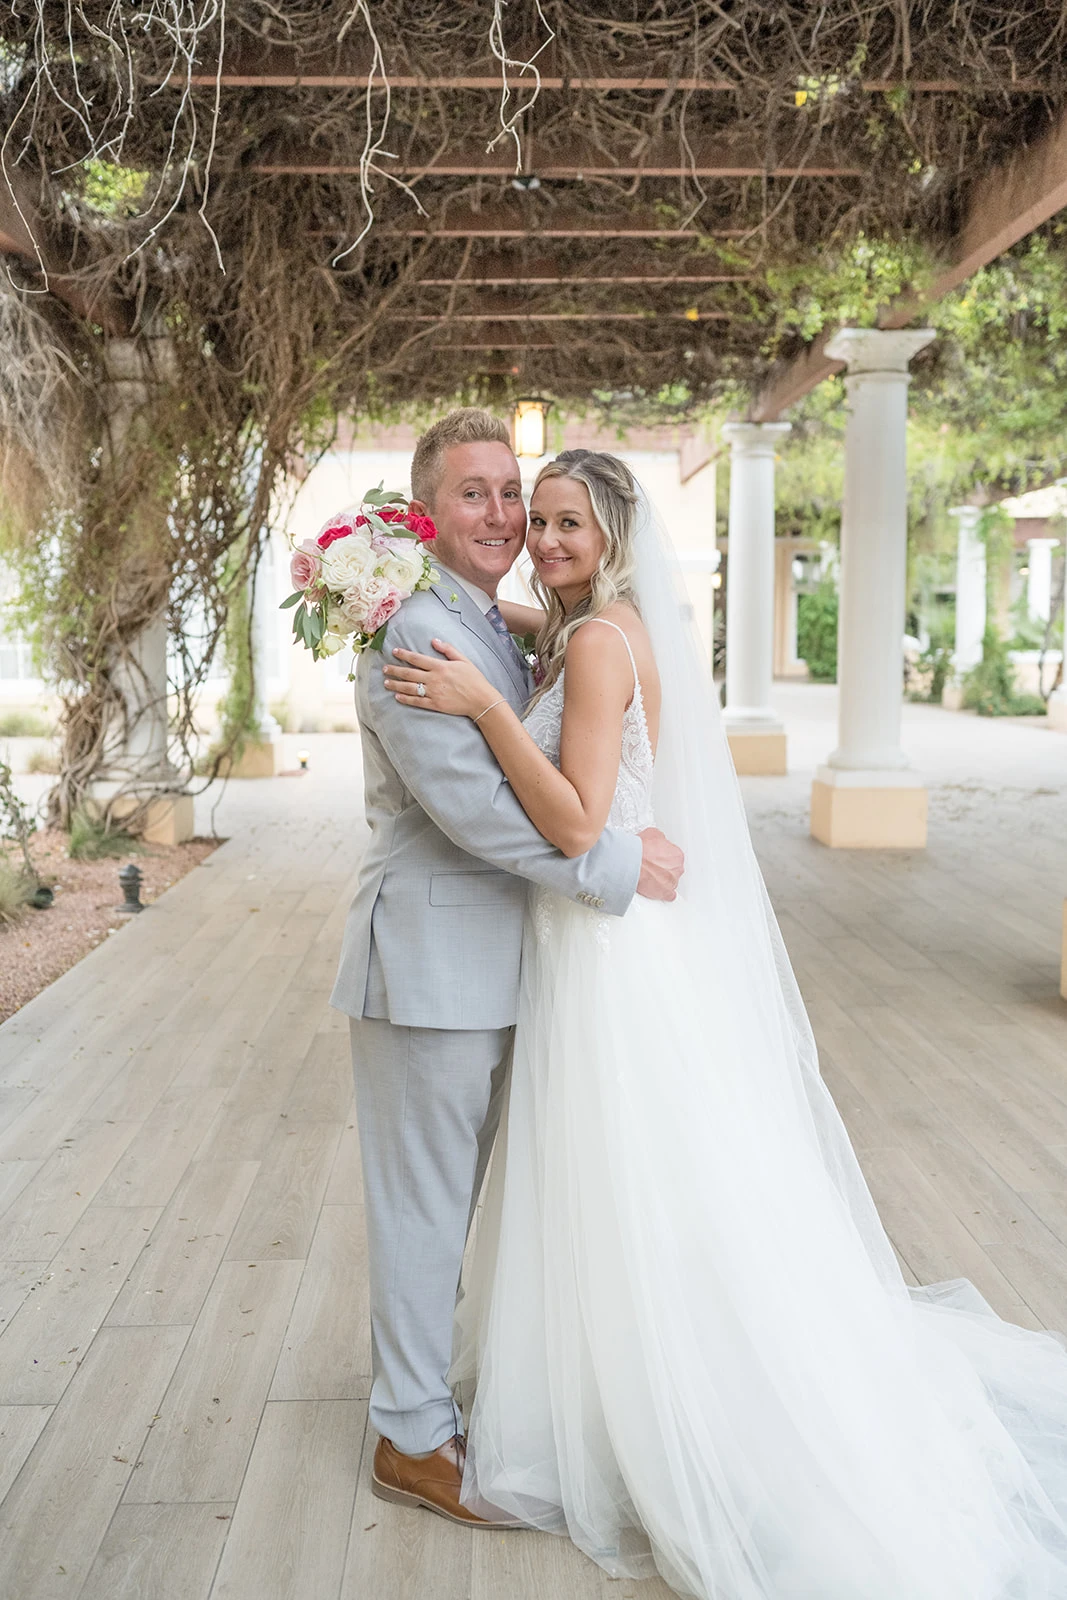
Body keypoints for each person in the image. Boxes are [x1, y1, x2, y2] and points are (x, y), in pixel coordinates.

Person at [382, 447, 1067, 1600]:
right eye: (533, 519)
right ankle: (610, 1377)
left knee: (645, 1186)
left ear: (613, 535)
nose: (543, 540)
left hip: (608, 954)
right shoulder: (589, 625)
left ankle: (691, 1407)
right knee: (631, 1185)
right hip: (596, 946)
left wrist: (489, 706)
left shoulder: (598, 643)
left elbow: (574, 821)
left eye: (566, 524)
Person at [329, 411, 683, 1528]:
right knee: (425, 1207)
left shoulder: (493, 622)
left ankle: (437, 1394)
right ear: (429, 512)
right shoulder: (409, 636)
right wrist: (610, 866)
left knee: (472, 1204)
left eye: (512, 497)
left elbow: (545, 654)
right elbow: (479, 811)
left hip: (506, 965)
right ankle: (411, 1436)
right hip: (428, 963)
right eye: (476, 495)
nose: (502, 517)